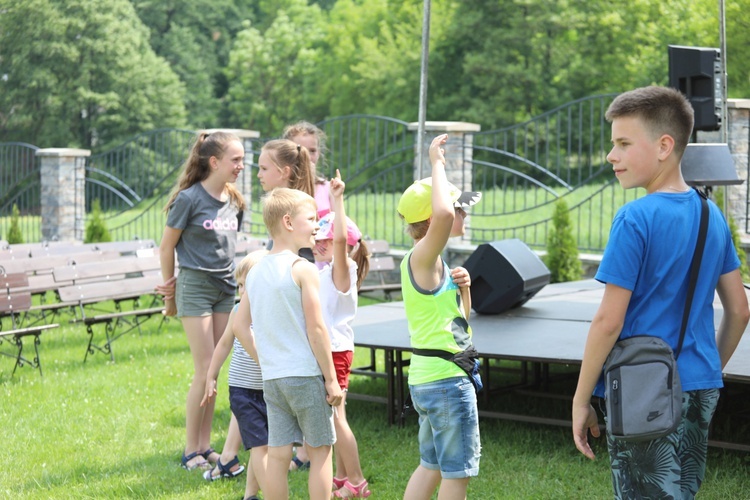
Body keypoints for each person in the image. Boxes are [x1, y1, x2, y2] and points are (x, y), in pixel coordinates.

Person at [571, 86, 750, 498]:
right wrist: (704, 369)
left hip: (642, 386)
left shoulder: (634, 218)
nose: (610, 155)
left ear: (664, 146)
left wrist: (581, 399)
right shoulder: (712, 215)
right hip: (701, 383)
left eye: (623, 143)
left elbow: (608, 321)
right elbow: (739, 309)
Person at [233, 187, 343, 500]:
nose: (317, 226)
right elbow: (317, 329)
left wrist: (264, 359)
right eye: (312, 219)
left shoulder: (254, 272)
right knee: (321, 451)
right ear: (288, 222)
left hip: (273, 380)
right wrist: (332, 381)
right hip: (306, 376)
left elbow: (239, 325)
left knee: (278, 456)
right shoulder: (304, 269)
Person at [397, 133, 482, 500]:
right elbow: (444, 213)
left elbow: (459, 323)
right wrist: (436, 162)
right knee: (456, 473)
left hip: (433, 377)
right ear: (434, 219)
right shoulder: (421, 257)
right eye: (458, 208)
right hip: (446, 383)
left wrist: (463, 290)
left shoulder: (436, 264)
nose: (461, 214)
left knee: (431, 465)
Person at [157, 130, 246, 471]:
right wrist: (169, 290)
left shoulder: (234, 200)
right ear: (214, 162)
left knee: (216, 369)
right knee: (204, 367)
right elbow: (167, 247)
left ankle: (206, 444)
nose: (241, 165)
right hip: (194, 286)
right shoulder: (189, 199)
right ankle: (190, 449)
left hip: (226, 288)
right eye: (235, 160)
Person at [311, 170, 371, 498]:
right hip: (332, 348)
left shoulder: (342, 268)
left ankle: (358, 482)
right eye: (317, 237)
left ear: (343, 245)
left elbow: (337, 240)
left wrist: (337, 201)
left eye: (327, 239)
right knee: (338, 416)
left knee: (335, 418)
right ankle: (341, 477)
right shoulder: (323, 271)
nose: (320, 242)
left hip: (335, 351)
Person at [202, 249, 269, 500]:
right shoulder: (237, 311)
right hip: (243, 392)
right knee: (261, 447)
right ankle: (273, 493)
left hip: (269, 390)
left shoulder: (271, 313)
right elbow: (223, 345)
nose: (242, 292)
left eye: (247, 285)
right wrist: (211, 375)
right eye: (239, 285)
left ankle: (250, 495)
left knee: (263, 448)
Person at [282, 121, 332, 219]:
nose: (307, 157)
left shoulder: (329, 189)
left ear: (319, 153)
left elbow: (340, 228)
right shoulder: (282, 189)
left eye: (312, 151)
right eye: (300, 150)